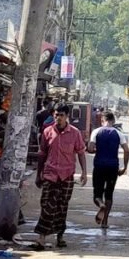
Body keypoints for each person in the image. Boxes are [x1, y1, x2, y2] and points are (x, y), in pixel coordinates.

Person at [34, 103, 87, 250]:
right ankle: (41, 238)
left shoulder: (75, 133)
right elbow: (42, 154)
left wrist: (84, 172)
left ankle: (60, 236)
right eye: (56, 115)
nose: (58, 118)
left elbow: (81, 153)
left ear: (67, 116)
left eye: (61, 115)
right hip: (50, 174)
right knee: (46, 205)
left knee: (62, 207)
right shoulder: (47, 132)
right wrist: (39, 175)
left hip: (67, 175)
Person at [87, 111, 129, 228]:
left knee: (97, 195)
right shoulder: (118, 133)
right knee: (109, 195)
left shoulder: (96, 132)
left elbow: (90, 148)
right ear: (113, 121)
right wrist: (124, 167)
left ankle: (101, 204)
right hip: (113, 167)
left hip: (99, 166)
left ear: (102, 120)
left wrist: (97, 150)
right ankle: (105, 221)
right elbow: (126, 150)